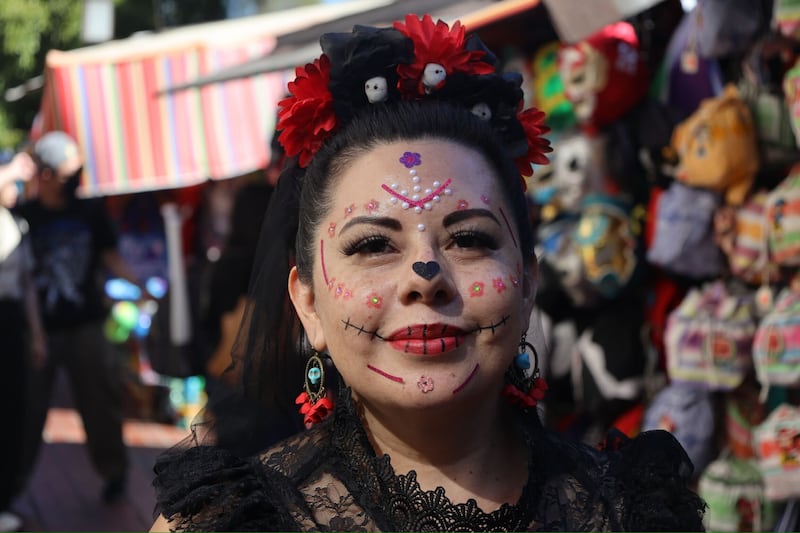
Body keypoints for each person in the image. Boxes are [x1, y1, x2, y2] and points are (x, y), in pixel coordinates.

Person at [151, 14, 706, 531]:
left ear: (527, 283)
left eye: (469, 239)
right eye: (373, 245)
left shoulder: (632, 512)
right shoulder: (222, 523)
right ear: (308, 304)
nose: (425, 275)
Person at [15, 131, 142, 504]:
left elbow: (110, 256)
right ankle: (11, 486)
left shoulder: (90, 211)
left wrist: (142, 287)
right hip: (39, 330)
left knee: (100, 402)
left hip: (86, 325)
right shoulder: (25, 217)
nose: (76, 181)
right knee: (26, 411)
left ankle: (114, 473)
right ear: (46, 175)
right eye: (68, 174)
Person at [0, 151, 46, 532]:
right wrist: (12, 167)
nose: (16, 189)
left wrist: (37, 334)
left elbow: (27, 284)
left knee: (12, 410)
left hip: (10, 321)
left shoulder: (17, 222)